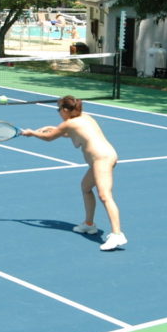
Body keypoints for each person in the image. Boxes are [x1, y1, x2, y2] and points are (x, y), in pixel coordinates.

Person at [22, 95, 127, 251]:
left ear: (65, 110)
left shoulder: (70, 123)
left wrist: (32, 133)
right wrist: (54, 128)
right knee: (85, 187)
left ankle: (117, 234)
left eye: (59, 109)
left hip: (102, 159)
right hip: (105, 156)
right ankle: (89, 225)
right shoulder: (85, 117)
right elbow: (72, 133)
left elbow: (50, 138)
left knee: (105, 195)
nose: (58, 112)